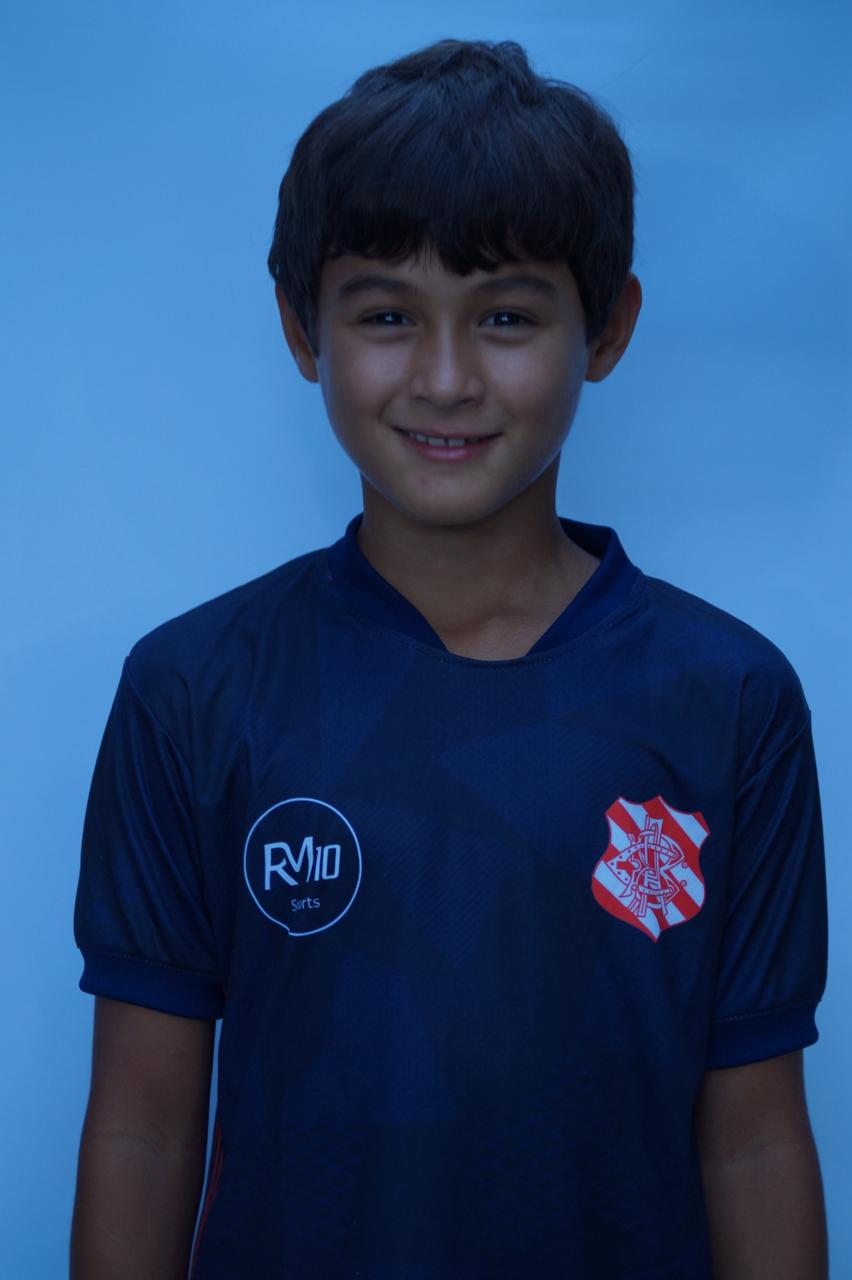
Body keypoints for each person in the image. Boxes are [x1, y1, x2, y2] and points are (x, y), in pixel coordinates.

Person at [70, 37, 829, 1280]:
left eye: (506, 317)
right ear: (301, 327)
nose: (444, 377)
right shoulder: (194, 689)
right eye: (386, 315)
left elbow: (752, 1139)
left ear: (608, 327)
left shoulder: (729, 698)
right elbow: (146, 1124)